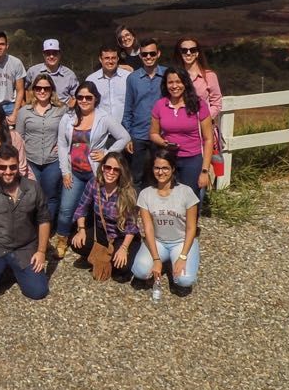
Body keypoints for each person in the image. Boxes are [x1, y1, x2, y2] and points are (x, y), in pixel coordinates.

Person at [53, 82, 129, 259]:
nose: (84, 100)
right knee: (66, 208)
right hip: (75, 172)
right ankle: (62, 238)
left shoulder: (104, 117)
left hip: (96, 173)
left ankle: (96, 240)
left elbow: (124, 137)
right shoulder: (68, 117)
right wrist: (65, 171)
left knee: (96, 208)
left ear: (95, 99)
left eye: (88, 97)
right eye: (80, 97)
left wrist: (107, 153)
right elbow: (63, 145)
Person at [0, 145, 50, 300]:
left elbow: (44, 220)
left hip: (25, 247)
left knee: (38, 292)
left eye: (12, 167)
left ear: (18, 164)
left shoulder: (33, 188)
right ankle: (3, 268)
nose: (7, 172)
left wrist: (41, 252)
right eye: (3, 167)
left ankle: (16, 269)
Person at [131, 150, 200, 292]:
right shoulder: (145, 194)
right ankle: (163, 260)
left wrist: (183, 256)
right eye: (157, 168)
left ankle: (174, 261)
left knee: (184, 280)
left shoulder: (186, 192)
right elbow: (148, 228)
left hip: (180, 241)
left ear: (173, 169)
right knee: (140, 272)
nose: (160, 172)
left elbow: (191, 228)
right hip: (158, 241)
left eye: (165, 168)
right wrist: (156, 259)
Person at [69, 152, 140, 281]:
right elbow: (81, 208)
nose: (111, 172)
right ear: (102, 167)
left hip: (121, 235)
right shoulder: (94, 183)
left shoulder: (128, 192)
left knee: (121, 269)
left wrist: (124, 248)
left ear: (121, 172)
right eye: (108, 167)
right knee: (76, 242)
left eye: (116, 169)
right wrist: (81, 229)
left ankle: (109, 258)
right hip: (102, 232)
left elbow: (131, 227)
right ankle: (95, 256)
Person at [150, 68, 213, 204]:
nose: (174, 86)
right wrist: (165, 143)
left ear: (185, 83)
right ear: (165, 85)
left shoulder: (198, 105)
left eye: (178, 82)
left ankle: (191, 225)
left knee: (191, 199)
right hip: (168, 158)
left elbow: (208, 139)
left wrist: (204, 170)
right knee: (169, 196)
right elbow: (153, 134)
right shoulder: (160, 105)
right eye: (170, 82)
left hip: (192, 159)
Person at [15, 73, 66, 230]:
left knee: (51, 196)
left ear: (52, 90)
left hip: (52, 160)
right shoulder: (24, 111)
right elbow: (18, 137)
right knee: (31, 196)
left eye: (46, 88)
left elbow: (68, 132)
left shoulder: (61, 110)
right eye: (38, 88)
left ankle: (47, 228)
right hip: (31, 160)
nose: (42, 91)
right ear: (33, 90)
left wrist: (62, 145)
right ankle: (31, 228)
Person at [122, 38, 166, 190]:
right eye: (144, 54)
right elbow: (128, 109)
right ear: (140, 55)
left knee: (160, 174)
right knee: (136, 176)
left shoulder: (167, 75)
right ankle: (135, 210)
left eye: (152, 53)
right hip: (138, 134)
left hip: (161, 134)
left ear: (158, 53)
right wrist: (128, 136)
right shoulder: (133, 79)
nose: (148, 57)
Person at [174, 37, 223, 122]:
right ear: (180, 53)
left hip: (203, 128)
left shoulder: (209, 76)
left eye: (192, 50)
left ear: (197, 53)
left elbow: (216, 103)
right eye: (184, 50)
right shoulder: (175, 76)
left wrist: (204, 120)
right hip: (180, 126)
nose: (188, 53)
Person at [24, 38, 79, 106]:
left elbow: (76, 96)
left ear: (60, 54)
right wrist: (27, 105)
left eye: (55, 53)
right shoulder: (33, 71)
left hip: (61, 113)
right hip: (37, 113)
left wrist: (68, 110)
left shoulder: (69, 75)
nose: (51, 56)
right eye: (48, 53)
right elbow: (24, 89)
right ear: (43, 54)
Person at [86, 45, 127, 123]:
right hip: (100, 128)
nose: (110, 61)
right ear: (100, 59)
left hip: (124, 128)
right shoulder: (91, 80)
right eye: (107, 58)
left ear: (118, 59)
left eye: (113, 58)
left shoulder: (128, 78)